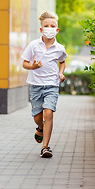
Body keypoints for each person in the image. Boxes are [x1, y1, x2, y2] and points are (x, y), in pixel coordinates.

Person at [21, 11, 67, 158]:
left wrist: (61, 73)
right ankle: (40, 127)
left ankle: (45, 147)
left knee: (48, 113)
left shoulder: (60, 48)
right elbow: (24, 63)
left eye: (52, 26)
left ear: (57, 29)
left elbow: (62, 62)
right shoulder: (34, 45)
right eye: (46, 25)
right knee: (37, 116)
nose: (49, 28)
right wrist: (33, 67)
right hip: (35, 85)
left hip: (52, 85)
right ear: (41, 29)